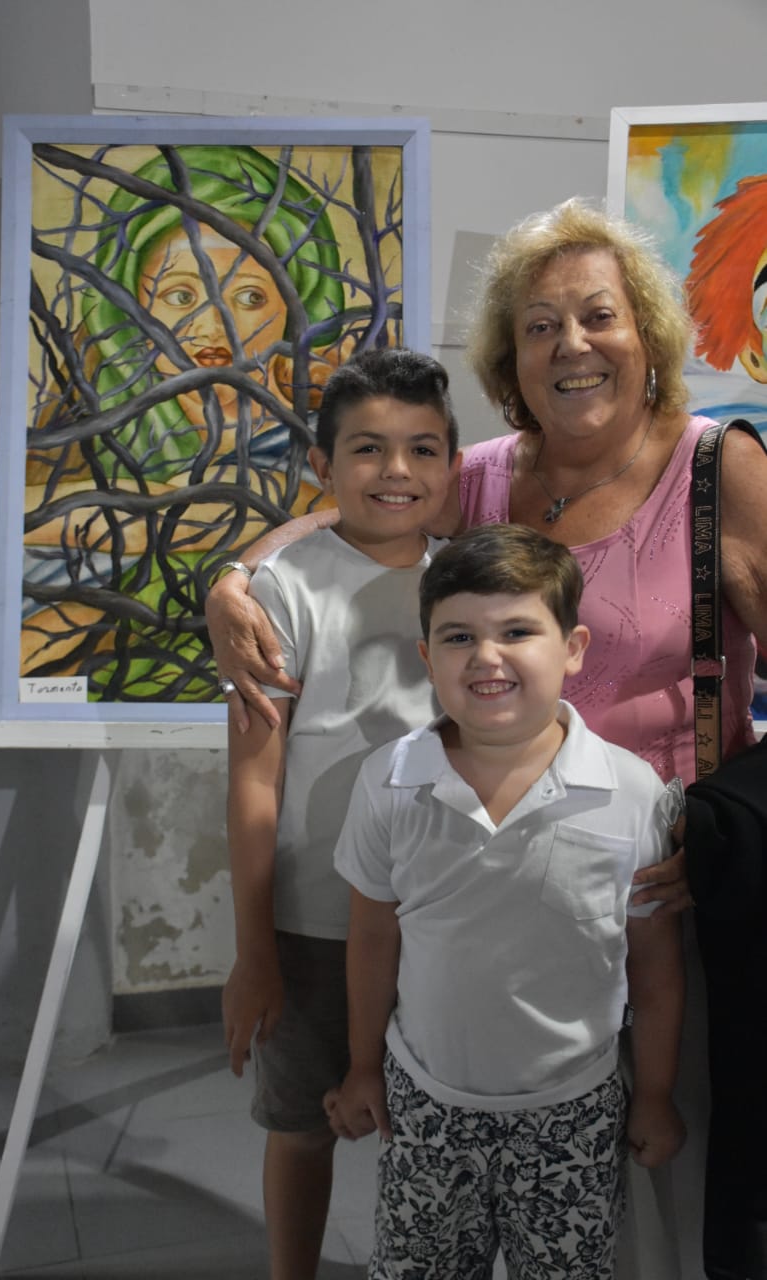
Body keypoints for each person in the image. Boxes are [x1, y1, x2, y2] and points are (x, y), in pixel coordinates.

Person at [207, 197, 767, 1278]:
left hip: (666, 875)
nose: (571, 345)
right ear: (511, 358)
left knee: (669, 1149)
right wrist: (233, 575)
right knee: (517, 1139)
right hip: (498, 871)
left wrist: (727, 824)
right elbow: (357, 508)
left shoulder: (717, 471)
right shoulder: (485, 475)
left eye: (597, 315)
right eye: (539, 325)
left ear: (646, 334)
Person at [325, 523, 685, 1278]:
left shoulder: (630, 792)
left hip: (575, 1111)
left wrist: (653, 1094)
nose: (486, 657)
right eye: (458, 637)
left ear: (573, 648)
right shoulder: (388, 781)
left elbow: (653, 967)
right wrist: (362, 1067)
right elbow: (372, 940)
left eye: (517, 631)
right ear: (426, 657)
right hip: (426, 1104)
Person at [222, 347, 461, 1280]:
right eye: (367, 448)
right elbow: (254, 781)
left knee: (433, 1122)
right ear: (322, 466)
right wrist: (254, 951)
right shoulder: (282, 588)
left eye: (422, 449)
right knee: (300, 1127)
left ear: (451, 463)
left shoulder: (465, 583)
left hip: (438, 915)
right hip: (313, 920)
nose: (397, 471)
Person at [22, 143, 381, 699]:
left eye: (250, 296)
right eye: (179, 294)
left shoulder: (329, 445)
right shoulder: (90, 431)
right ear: (130, 306)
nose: (213, 324)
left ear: (297, 308)